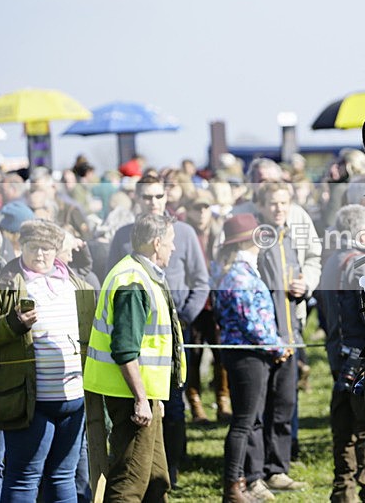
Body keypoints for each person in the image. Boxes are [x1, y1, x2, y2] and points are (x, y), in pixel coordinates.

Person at [107, 174, 210, 487]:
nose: (153, 202)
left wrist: (183, 319)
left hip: (173, 332)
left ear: (166, 198)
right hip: (137, 334)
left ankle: (172, 467)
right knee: (145, 405)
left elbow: (201, 280)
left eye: (158, 196)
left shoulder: (184, 233)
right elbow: (115, 280)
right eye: (147, 197)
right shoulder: (124, 235)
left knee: (174, 404)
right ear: (137, 199)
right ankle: (147, 471)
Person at [83, 213, 186, 502]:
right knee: (129, 482)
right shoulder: (133, 281)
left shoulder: (141, 274)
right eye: (170, 241)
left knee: (156, 478)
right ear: (157, 243)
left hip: (143, 393)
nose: (174, 247)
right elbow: (125, 349)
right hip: (130, 395)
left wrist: (154, 397)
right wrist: (141, 398)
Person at [0, 220, 97, 502]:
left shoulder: (76, 283)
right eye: (33, 247)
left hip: (74, 398)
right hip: (30, 401)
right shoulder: (6, 283)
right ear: (21, 246)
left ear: (57, 250)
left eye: (46, 248)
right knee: (24, 477)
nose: (40, 254)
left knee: (63, 476)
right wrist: (13, 323)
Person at [213, 213, 288, 503]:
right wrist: (278, 346)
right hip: (247, 356)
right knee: (243, 423)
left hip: (250, 354)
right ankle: (233, 486)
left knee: (246, 421)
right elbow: (252, 323)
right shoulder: (239, 275)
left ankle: (239, 483)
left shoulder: (240, 271)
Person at [243, 183, 309, 494]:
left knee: (284, 406)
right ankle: (253, 475)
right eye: (273, 203)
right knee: (257, 411)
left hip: (289, 337)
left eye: (284, 203)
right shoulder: (254, 238)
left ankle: (277, 470)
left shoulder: (289, 238)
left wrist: (302, 287)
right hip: (262, 341)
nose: (279, 208)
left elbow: (294, 283)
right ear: (260, 206)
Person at [318, 205, 365, 503]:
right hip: (360, 357)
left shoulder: (331, 261)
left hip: (337, 354)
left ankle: (342, 490)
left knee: (343, 428)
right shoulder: (361, 265)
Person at [183, 189, 232, 424]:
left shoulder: (220, 232)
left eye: (205, 207)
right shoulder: (184, 233)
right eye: (196, 207)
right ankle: (195, 404)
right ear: (188, 210)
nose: (201, 212)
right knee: (193, 355)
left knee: (222, 354)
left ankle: (223, 400)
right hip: (194, 302)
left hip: (217, 302)